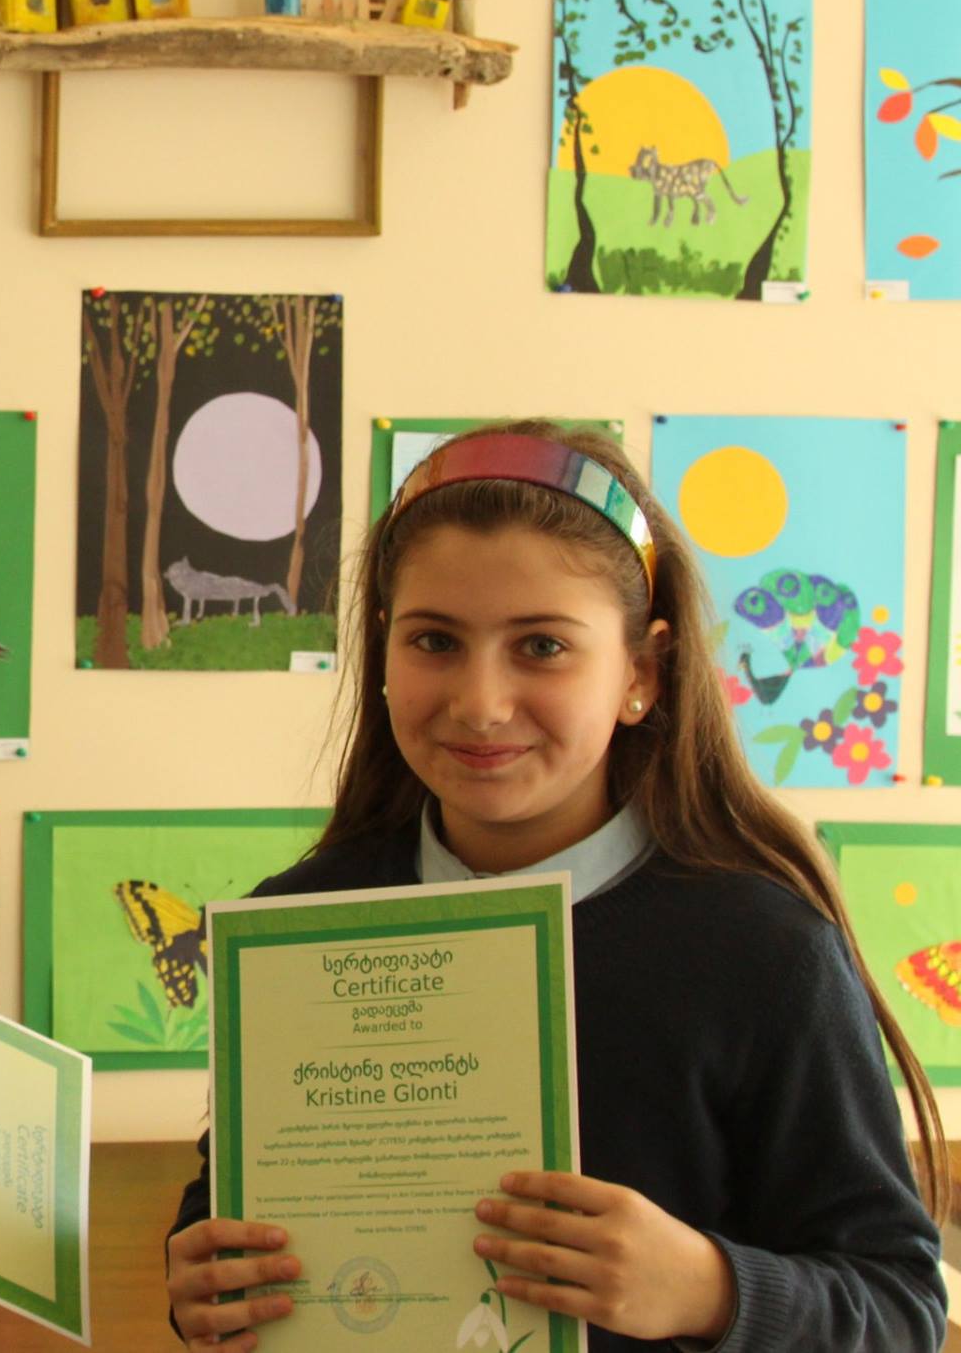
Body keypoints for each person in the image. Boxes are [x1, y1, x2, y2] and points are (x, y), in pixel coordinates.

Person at [164, 423, 949, 1353]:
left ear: (641, 673)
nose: (481, 702)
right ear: (383, 652)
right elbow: (223, 1224)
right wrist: (201, 1285)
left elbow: (901, 1306)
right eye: (435, 640)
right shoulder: (295, 926)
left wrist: (710, 1289)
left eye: (541, 645)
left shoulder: (765, 952)